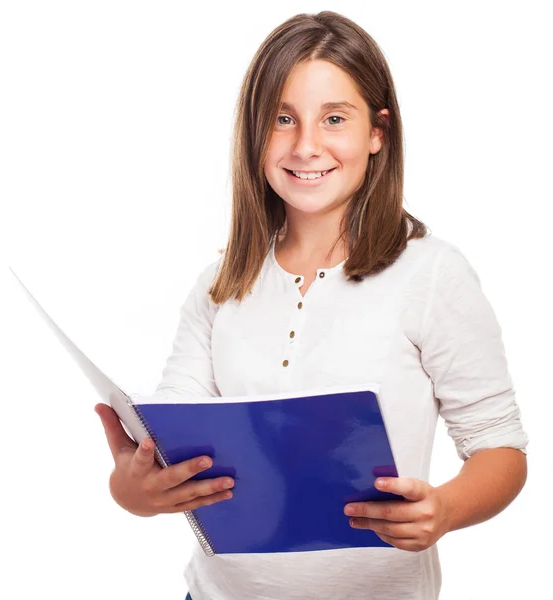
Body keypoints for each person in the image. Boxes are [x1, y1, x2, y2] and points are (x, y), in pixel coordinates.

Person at [95, 10, 529, 600]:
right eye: (282, 118)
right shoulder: (221, 283)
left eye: (333, 118)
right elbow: (176, 431)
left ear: (378, 132)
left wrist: (446, 509)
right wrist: (133, 489)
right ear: (255, 133)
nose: (306, 146)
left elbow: (500, 448)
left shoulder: (432, 275)